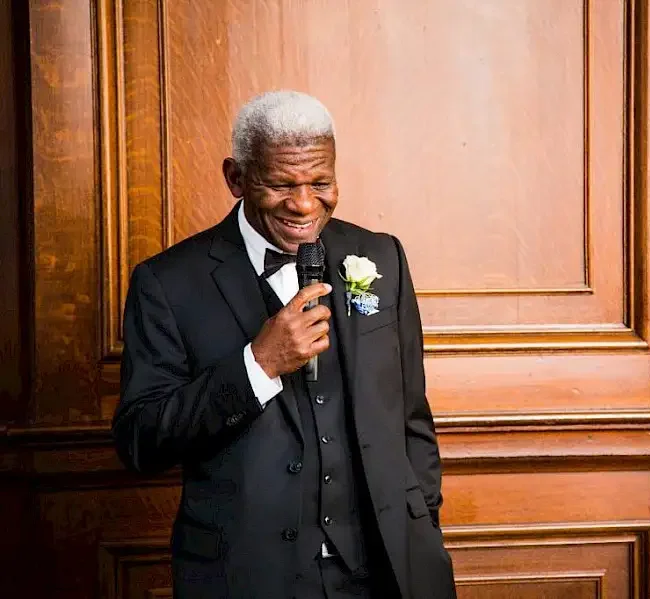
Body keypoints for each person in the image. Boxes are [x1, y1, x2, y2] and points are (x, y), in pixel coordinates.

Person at [112, 91, 456, 599]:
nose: (304, 205)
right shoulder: (166, 283)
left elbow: (411, 417)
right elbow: (140, 441)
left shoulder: (382, 257)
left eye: (320, 183)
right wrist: (258, 365)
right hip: (247, 577)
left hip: (387, 570)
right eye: (281, 185)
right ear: (236, 178)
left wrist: (422, 529)